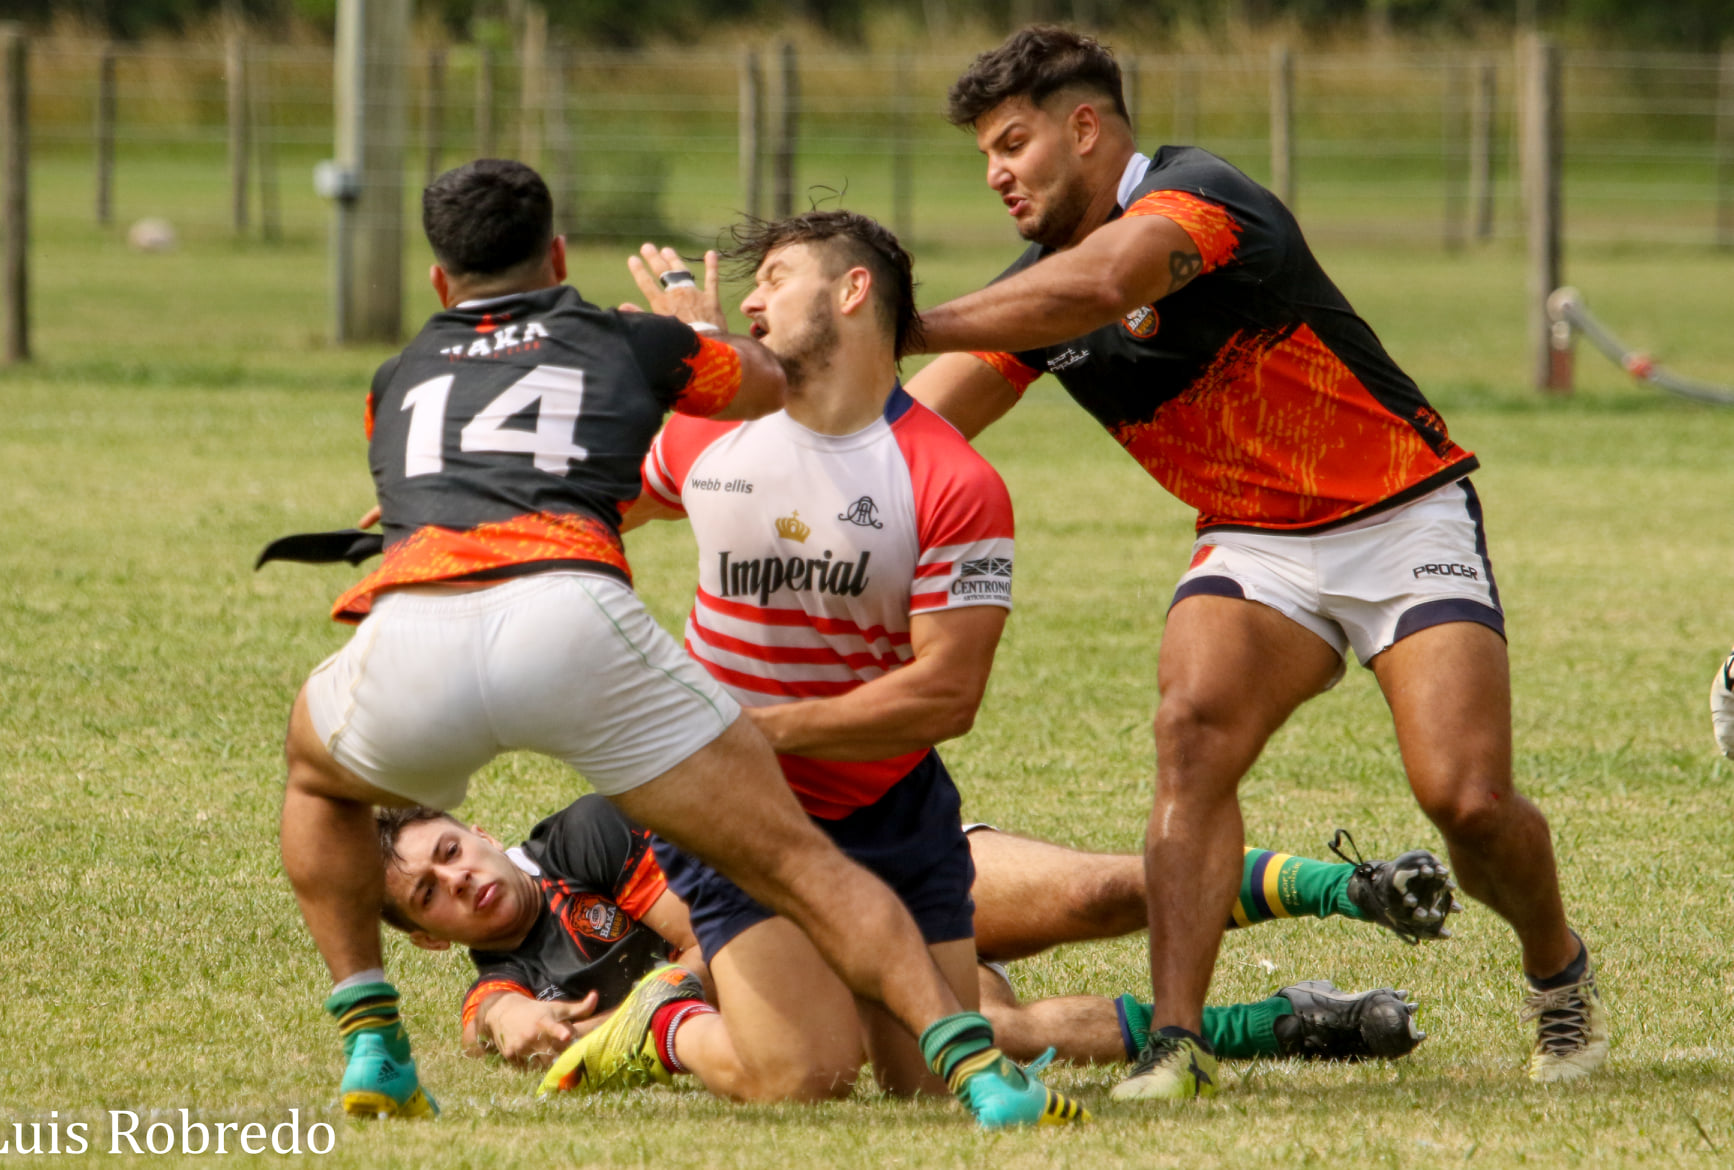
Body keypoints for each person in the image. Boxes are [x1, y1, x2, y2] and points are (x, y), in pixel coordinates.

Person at [536, 210, 1440, 1108]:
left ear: (854, 292)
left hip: (888, 811)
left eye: (776, 278)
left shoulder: (950, 481)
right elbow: (577, 510)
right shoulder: (705, 436)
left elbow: (945, 697)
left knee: (927, 1082)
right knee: (804, 1077)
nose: (755, 302)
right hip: (743, 815)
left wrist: (747, 728)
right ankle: (660, 1026)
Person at [270, 159, 1064, 1129]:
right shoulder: (624, 340)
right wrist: (694, 327)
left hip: (415, 625)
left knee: (316, 779)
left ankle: (374, 1041)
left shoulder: (394, 377)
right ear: (557, 257)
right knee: (804, 864)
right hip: (567, 618)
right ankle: (978, 1070)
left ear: (440, 285)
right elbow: (767, 385)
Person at [901, 27, 1607, 1098]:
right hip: (1254, 542)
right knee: (1189, 732)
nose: (997, 174)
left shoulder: (1197, 201)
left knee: (1466, 800)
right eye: (986, 156)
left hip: (1400, 513)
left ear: (1084, 127)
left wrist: (902, 319)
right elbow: (914, 431)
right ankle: (1174, 1045)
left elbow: (1104, 282)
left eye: (1011, 144)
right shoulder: (1038, 293)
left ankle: (1557, 971)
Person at [374, 799, 1446, 1068]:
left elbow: (701, 944)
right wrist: (510, 1027)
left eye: (447, 850)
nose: (454, 882)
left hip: (876, 861)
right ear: (423, 938)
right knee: (1002, 1032)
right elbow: (495, 1019)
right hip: (852, 970)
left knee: (1093, 895)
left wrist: (654, 1003)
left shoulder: (583, 838)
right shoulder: (499, 972)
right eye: (425, 894)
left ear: (474, 825)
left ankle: (1348, 888)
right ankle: (1289, 1024)